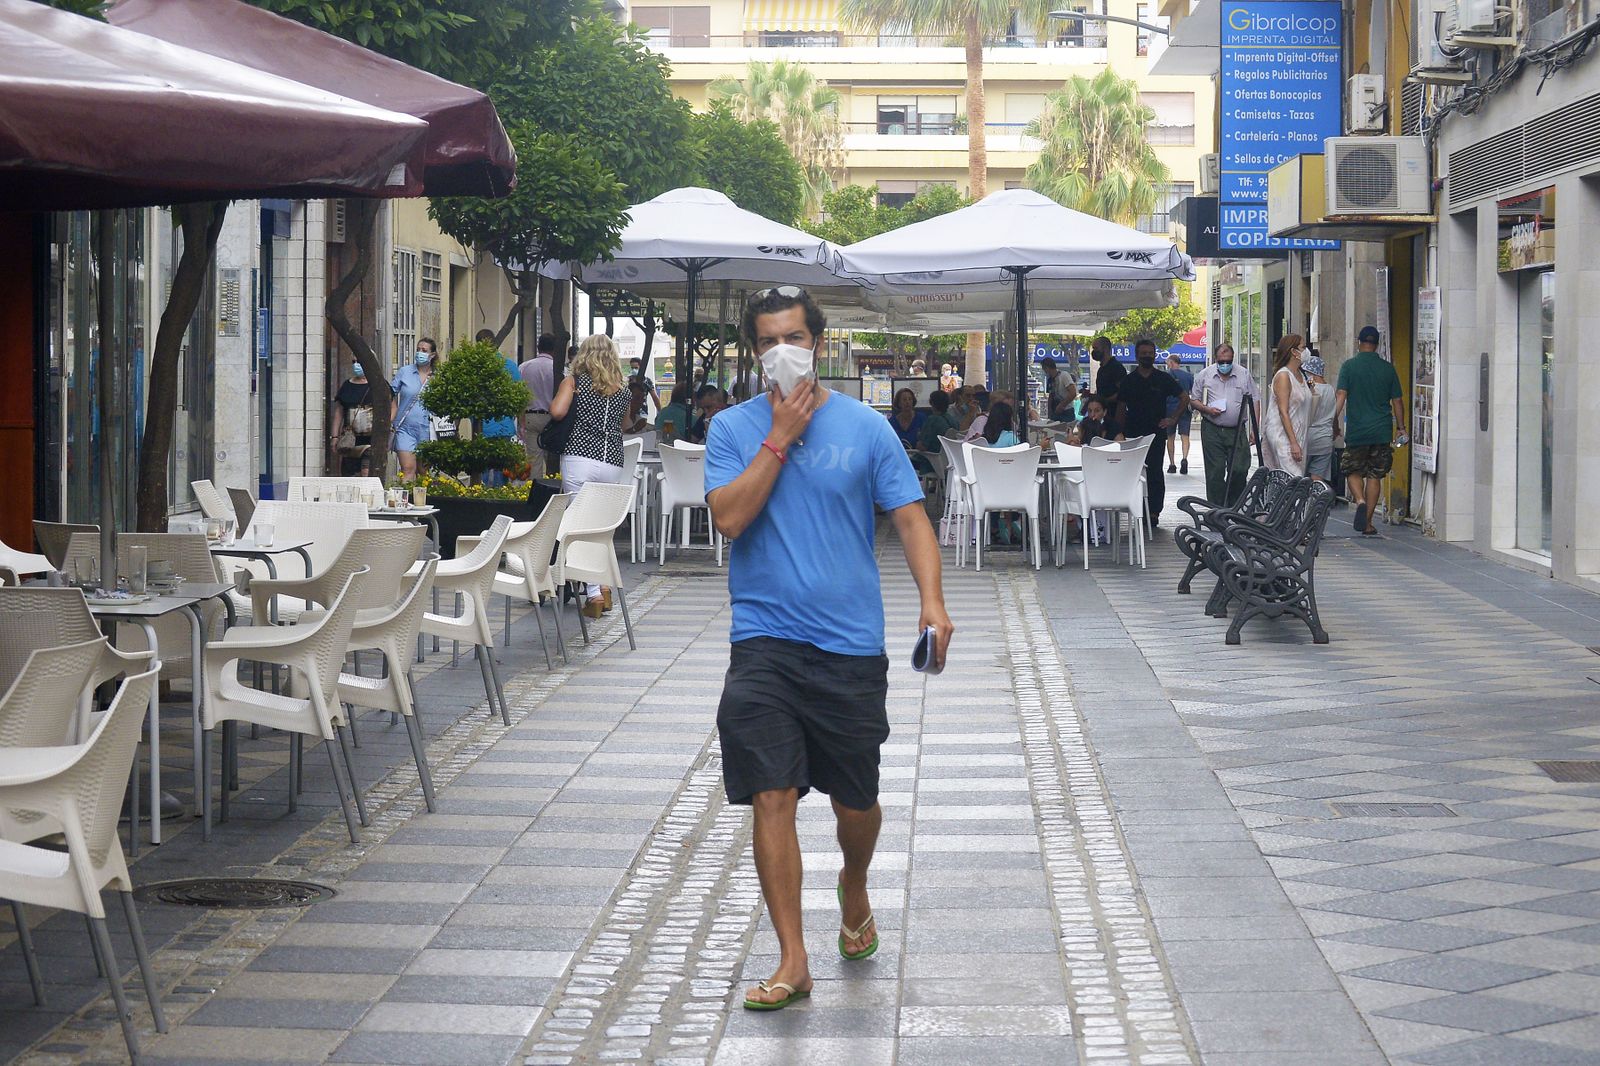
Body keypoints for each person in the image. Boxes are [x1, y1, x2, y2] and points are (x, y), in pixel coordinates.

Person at [704, 285, 952, 1013]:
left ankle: (855, 884)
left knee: (856, 803)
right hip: (763, 642)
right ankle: (792, 958)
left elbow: (910, 520)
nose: (781, 351)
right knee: (771, 793)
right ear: (754, 352)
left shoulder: (866, 428)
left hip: (849, 644)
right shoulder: (731, 430)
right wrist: (777, 437)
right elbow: (731, 520)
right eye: (767, 340)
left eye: (794, 337)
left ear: (818, 343)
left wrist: (932, 603)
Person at [549, 335, 629, 618]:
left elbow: (557, 412)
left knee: (578, 526)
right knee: (601, 527)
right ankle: (604, 586)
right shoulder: (623, 390)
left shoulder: (575, 382)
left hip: (580, 456)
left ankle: (594, 592)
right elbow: (626, 424)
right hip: (612, 461)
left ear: (583, 354)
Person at [1335, 325, 1406, 536]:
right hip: (1381, 430)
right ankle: (1367, 523)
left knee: (1352, 470)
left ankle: (1359, 500)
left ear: (1359, 342)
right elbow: (1398, 401)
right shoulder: (1388, 368)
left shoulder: (1349, 366)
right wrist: (1401, 428)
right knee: (1375, 475)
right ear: (1377, 344)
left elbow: (1340, 395)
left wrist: (1333, 421)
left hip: (1357, 430)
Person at [1114, 338, 1188, 528]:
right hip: (1132, 433)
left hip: (1156, 433)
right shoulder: (1128, 381)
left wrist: (1173, 419)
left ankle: (1154, 511)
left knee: (1155, 471)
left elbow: (1184, 397)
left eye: (1150, 353)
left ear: (1155, 355)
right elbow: (1121, 407)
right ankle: (1135, 508)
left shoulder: (1163, 378)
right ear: (1137, 355)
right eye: (1143, 353)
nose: (1147, 356)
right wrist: (1119, 432)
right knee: (1133, 472)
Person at [476, 329, 522, 485]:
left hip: (481, 427)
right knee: (500, 471)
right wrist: (519, 422)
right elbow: (519, 397)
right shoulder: (509, 366)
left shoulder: (473, 367)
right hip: (504, 426)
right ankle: (498, 499)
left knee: (481, 471)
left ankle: (481, 501)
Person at [1261, 334, 1311, 476]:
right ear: (1294, 352)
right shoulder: (1283, 376)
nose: (1306, 351)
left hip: (1299, 433)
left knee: (1289, 479)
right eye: (1303, 347)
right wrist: (1293, 442)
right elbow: (1283, 411)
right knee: (1294, 477)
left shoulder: (1301, 374)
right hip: (1282, 434)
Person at [390, 337, 438, 481]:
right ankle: (407, 499)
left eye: (424, 350)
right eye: (418, 349)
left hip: (428, 429)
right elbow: (390, 392)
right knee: (408, 469)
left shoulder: (438, 375)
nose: (419, 353)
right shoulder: (405, 372)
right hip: (405, 428)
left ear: (432, 355)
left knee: (424, 471)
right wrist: (393, 409)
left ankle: (423, 500)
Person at [518, 334, 557, 482]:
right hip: (553, 418)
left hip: (530, 417)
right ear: (555, 349)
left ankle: (534, 493)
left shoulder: (524, 367)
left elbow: (519, 396)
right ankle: (553, 489)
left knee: (534, 460)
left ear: (538, 347)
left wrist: (521, 420)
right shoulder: (560, 370)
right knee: (553, 459)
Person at [1301, 350, 1339, 488]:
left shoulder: (1309, 389)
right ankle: (1315, 504)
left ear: (1310, 371)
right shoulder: (1330, 389)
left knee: (1300, 477)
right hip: (1325, 438)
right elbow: (1334, 415)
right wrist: (1336, 430)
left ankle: (1301, 506)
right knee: (1317, 478)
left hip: (1307, 437)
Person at [329, 360, 373, 476]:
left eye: (359, 361)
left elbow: (392, 407)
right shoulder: (347, 386)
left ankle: (366, 493)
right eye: (354, 361)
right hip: (351, 439)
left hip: (371, 439)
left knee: (366, 472)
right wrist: (334, 437)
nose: (356, 364)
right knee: (349, 473)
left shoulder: (378, 385)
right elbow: (339, 413)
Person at [1164, 353, 1195, 475]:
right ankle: (1184, 458)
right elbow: (1192, 392)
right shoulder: (1188, 376)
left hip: (1170, 408)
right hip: (1185, 408)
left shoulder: (1166, 376)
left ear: (1171, 363)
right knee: (1185, 436)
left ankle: (1172, 464)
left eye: (1167, 363)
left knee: (1170, 437)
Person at [1092, 336, 1126, 421]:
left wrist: (1105, 401)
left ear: (1106, 348)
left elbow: (1122, 393)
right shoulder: (1101, 369)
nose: (1094, 351)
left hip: (1115, 414)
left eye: (1096, 348)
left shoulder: (1116, 367)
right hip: (1104, 415)